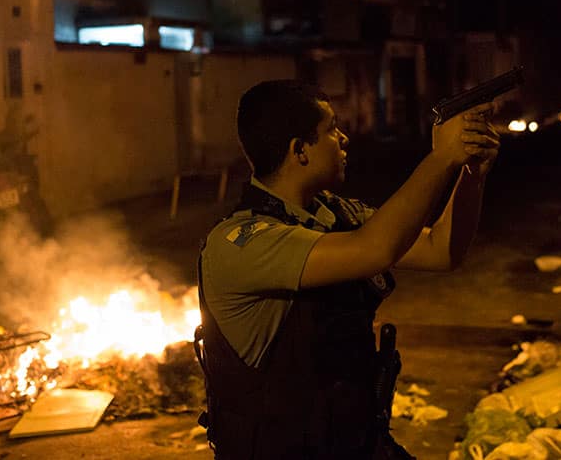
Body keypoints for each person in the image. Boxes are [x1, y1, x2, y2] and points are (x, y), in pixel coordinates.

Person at [195, 80, 499, 459]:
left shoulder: (331, 215)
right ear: (299, 150)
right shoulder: (242, 242)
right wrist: (441, 158)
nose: (344, 139)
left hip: (353, 443)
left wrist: (471, 173)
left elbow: (441, 251)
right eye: (331, 130)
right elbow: (375, 249)